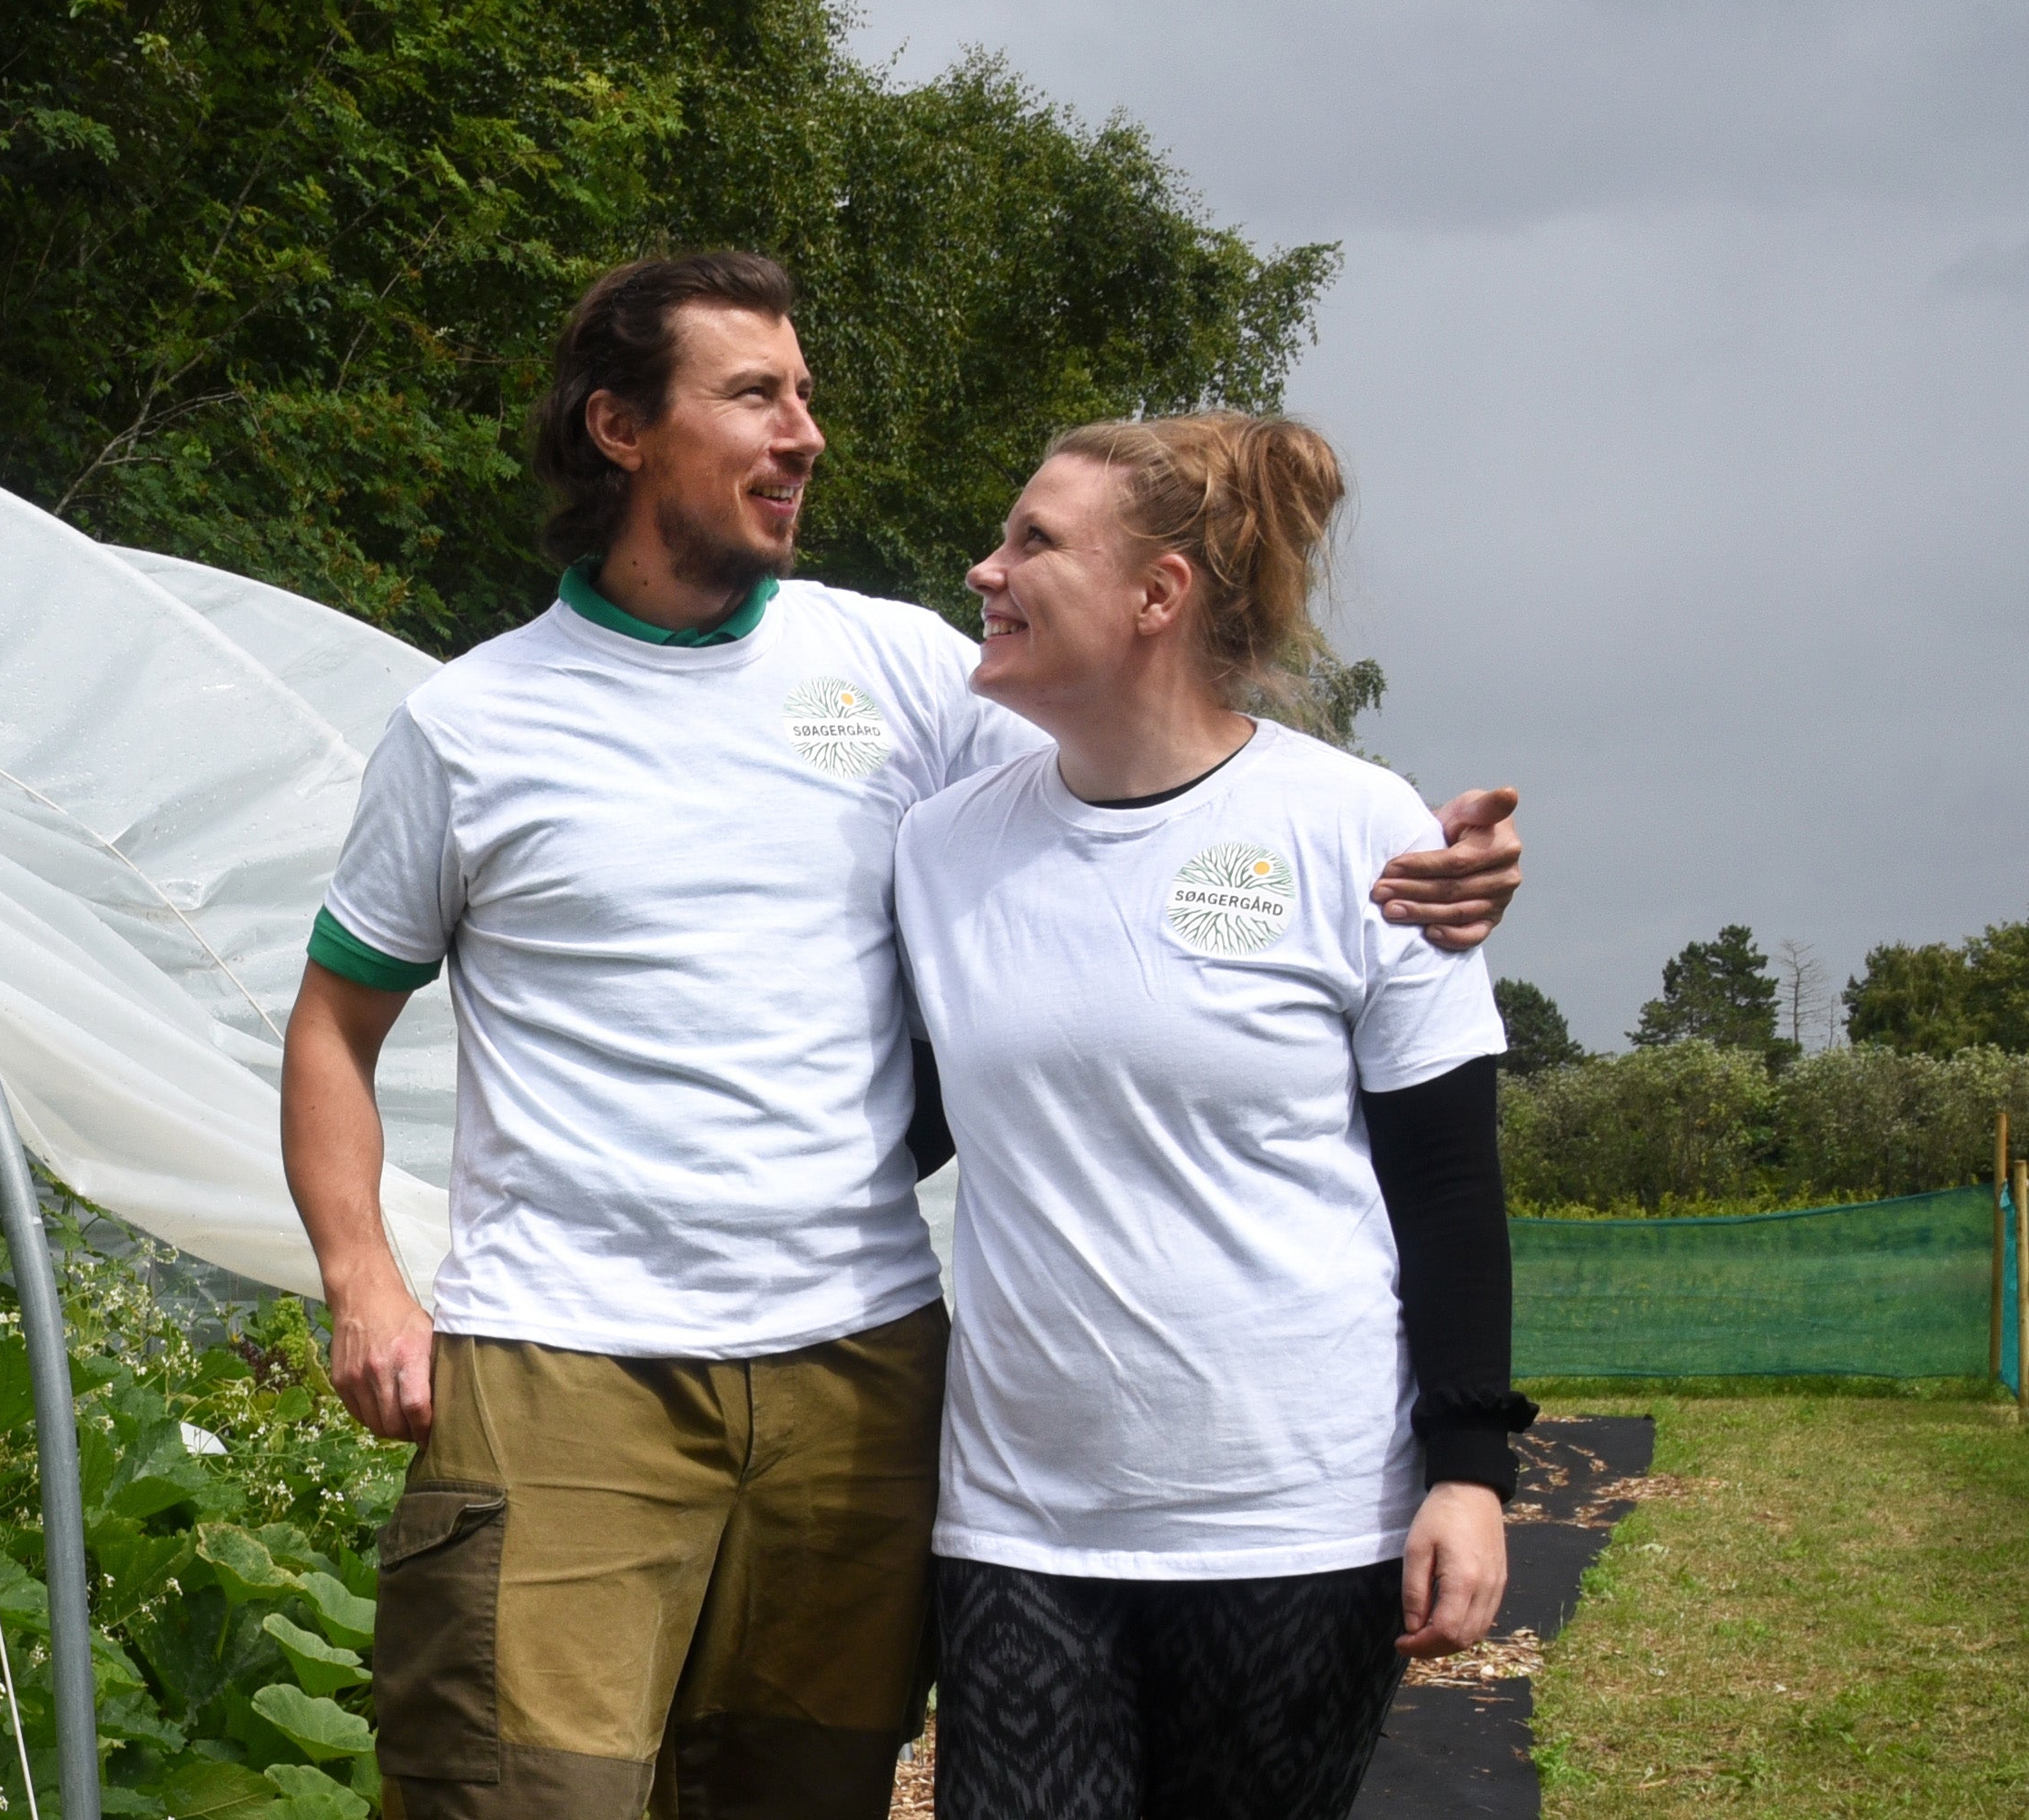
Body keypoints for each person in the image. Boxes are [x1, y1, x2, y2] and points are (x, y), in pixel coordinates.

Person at [278, 251, 1523, 1820]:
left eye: (805, 394)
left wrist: (1420, 861)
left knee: (802, 1796)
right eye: (754, 395)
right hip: (567, 1358)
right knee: (517, 1796)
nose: (803, 432)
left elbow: (1166, 751)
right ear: (619, 429)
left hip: (858, 1372)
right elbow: (335, 1021)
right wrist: (363, 1281)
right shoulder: (471, 726)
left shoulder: (898, 671)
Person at [893, 412, 1528, 1819]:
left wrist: (1469, 1470)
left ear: (1157, 597)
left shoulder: (1361, 832)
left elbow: (1449, 1190)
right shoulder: (941, 848)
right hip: (1019, 1523)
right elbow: (906, 1123)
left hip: (1299, 1520)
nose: (985, 569)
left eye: (1033, 543)